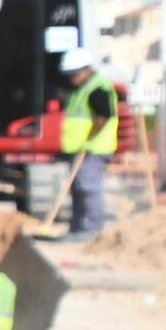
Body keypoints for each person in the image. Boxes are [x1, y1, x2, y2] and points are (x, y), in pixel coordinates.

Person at [66, 66, 122, 238]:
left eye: (74, 74)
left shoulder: (98, 88)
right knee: (77, 187)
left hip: (95, 149)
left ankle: (92, 229)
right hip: (82, 148)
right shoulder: (82, 89)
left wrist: (90, 138)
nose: (72, 79)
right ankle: (77, 228)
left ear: (86, 71)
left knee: (88, 186)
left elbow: (103, 117)